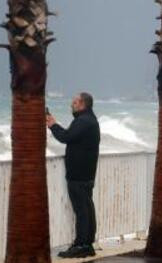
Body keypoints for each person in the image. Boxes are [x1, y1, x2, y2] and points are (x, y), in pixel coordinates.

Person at [46, 92, 100, 259]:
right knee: (87, 208)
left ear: (83, 104)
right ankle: (88, 244)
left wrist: (53, 124)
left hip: (79, 175)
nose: (72, 105)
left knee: (82, 211)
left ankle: (81, 245)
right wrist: (54, 123)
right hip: (86, 173)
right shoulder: (90, 120)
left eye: (75, 102)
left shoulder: (83, 121)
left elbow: (65, 137)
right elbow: (72, 137)